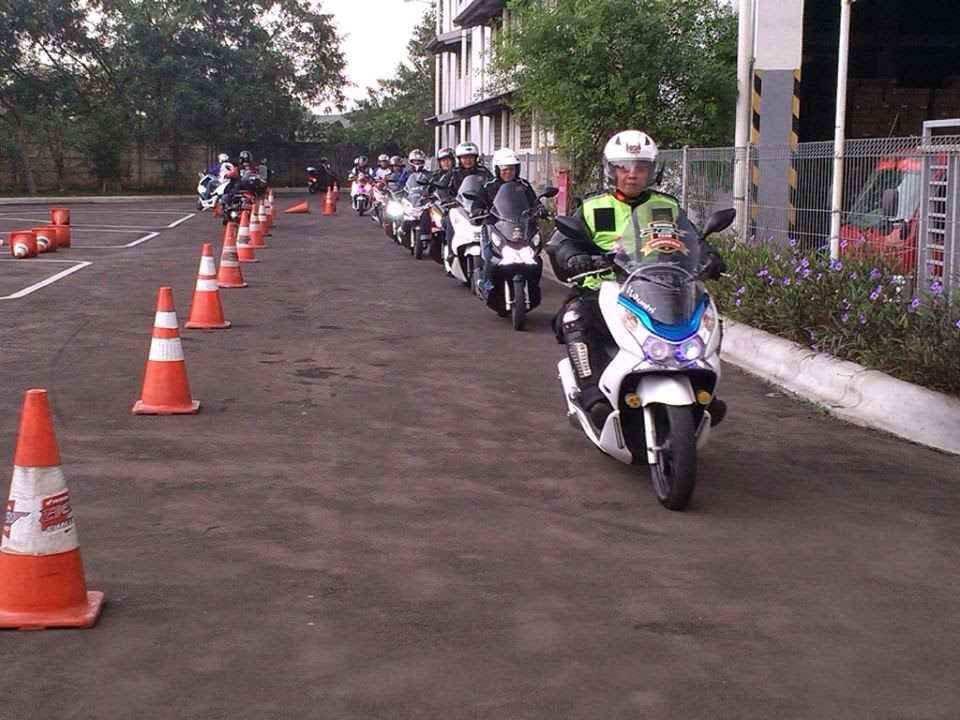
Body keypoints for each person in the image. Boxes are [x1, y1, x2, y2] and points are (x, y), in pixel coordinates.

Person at [546, 130, 727, 428]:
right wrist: (572, 256)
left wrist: (710, 256)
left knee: (707, 319)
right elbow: (561, 241)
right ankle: (592, 396)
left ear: (652, 171)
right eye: (624, 167)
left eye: (641, 167)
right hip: (603, 286)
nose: (632, 174)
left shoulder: (666, 207)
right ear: (611, 170)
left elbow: (692, 238)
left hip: (659, 285)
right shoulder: (593, 207)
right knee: (575, 318)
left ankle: (703, 386)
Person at [478, 147, 548, 303]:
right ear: (497, 170)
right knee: (489, 254)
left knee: (534, 253)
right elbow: (478, 202)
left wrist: (540, 209)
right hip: (495, 226)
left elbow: (534, 202)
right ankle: (487, 284)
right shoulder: (489, 186)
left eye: (511, 169)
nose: (508, 172)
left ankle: (532, 283)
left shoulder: (523, 185)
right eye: (504, 169)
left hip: (520, 226)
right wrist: (478, 210)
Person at [441, 141, 494, 259]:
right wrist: (447, 199)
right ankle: (451, 252)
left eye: (470, 157)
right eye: (464, 157)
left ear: (475, 158)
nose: (467, 160)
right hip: (459, 207)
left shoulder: (483, 171)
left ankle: (493, 251)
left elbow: (493, 186)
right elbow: (442, 186)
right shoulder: (454, 172)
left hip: (479, 208)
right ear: (459, 159)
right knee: (449, 220)